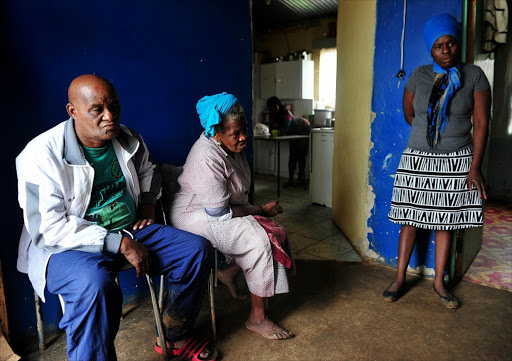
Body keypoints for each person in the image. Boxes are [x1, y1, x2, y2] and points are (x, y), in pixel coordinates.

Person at [16, 74, 218, 361]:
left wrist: (148, 205)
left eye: (114, 106)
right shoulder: (40, 155)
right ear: (72, 111)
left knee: (196, 251)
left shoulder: (128, 137)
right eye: (97, 109)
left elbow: (148, 171)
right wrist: (118, 244)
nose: (109, 117)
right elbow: (47, 229)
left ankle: (175, 336)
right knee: (94, 286)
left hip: (129, 229)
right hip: (67, 245)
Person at [384, 14, 491, 309]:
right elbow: (409, 114)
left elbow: (482, 123)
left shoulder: (475, 76)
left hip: (457, 160)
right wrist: (427, 134)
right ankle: (399, 278)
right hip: (418, 158)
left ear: (458, 45)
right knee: (409, 220)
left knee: (445, 222)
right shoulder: (418, 76)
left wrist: (474, 166)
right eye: (438, 46)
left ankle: (439, 282)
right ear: (430, 49)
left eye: (450, 44)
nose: (445, 51)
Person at [170, 92, 295, 340]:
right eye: (235, 133)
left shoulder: (231, 147)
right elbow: (219, 212)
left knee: (274, 229)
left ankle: (229, 272)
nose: (242, 138)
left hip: (219, 211)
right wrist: (259, 210)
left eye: (244, 130)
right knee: (260, 240)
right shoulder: (206, 154)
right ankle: (257, 319)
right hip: (194, 215)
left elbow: (235, 200)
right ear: (215, 132)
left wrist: (260, 213)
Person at [267, 96, 311, 187]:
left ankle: (301, 180)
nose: (271, 109)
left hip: (304, 128)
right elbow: (270, 128)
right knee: (292, 156)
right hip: (293, 132)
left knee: (301, 155)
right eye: (270, 108)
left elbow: (284, 131)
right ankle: (291, 180)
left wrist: (277, 133)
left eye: (272, 107)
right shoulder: (272, 114)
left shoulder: (286, 114)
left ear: (277, 106)